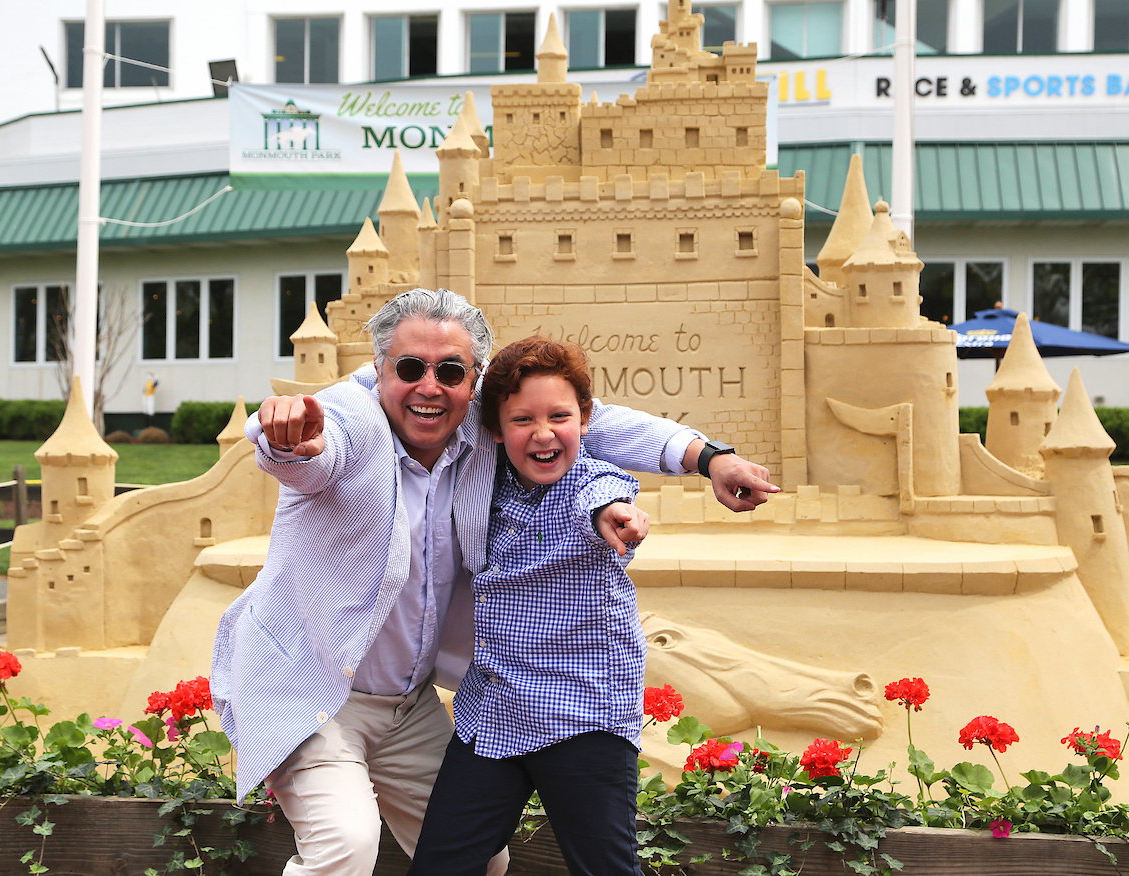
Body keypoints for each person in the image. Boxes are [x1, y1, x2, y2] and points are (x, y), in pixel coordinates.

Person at [210, 288, 777, 876]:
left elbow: (596, 428)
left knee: (481, 860)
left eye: (450, 371)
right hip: (318, 695)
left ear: (473, 380)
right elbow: (311, 452)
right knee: (345, 848)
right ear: (379, 370)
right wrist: (288, 442)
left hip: (412, 707)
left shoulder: (482, 421)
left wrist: (710, 458)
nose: (429, 386)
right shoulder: (350, 417)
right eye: (409, 368)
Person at [407, 336, 651, 876]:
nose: (543, 434)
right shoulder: (486, 489)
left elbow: (606, 496)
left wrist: (617, 516)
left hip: (583, 720)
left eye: (559, 416)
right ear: (497, 431)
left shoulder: (591, 483)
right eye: (522, 420)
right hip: (492, 715)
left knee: (606, 868)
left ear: (584, 420)